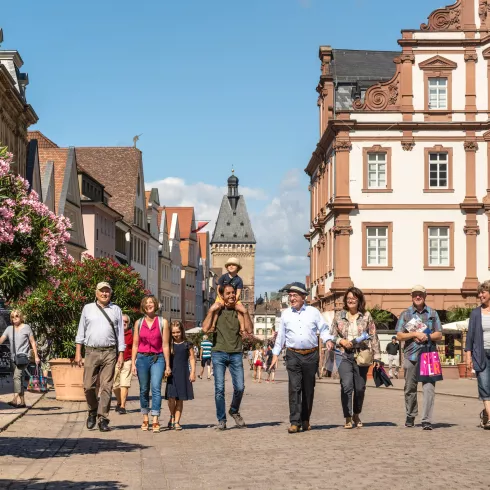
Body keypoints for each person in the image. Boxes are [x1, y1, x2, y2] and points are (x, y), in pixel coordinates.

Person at [268, 282, 334, 434]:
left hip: (311, 355)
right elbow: (281, 337)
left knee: (308, 389)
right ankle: (294, 422)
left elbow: (323, 329)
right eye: (290, 296)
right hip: (293, 354)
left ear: (303, 297)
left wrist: (328, 340)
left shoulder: (313, 312)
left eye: (295, 295)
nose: (291, 298)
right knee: (294, 387)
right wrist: (275, 355)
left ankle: (305, 419)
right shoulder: (286, 314)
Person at [75, 282, 125, 432]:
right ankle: (92, 410)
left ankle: (103, 418)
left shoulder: (116, 310)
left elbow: (120, 334)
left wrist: (121, 354)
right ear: (96, 293)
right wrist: (78, 352)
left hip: (110, 352)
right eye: (102, 291)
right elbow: (81, 331)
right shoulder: (87, 308)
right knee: (88, 386)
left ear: (110, 293)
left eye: (107, 291)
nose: (104, 294)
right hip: (91, 351)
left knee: (106, 387)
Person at [202, 283, 253, 430]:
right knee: (219, 389)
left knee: (240, 387)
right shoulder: (218, 310)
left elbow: (249, 330)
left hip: (236, 353)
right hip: (219, 353)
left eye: (233, 293)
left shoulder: (239, 311)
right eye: (228, 293)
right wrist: (211, 310)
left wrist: (245, 312)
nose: (231, 295)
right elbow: (205, 329)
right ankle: (221, 420)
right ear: (222, 295)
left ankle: (234, 410)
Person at [330, 287, 381, 429]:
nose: (351, 300)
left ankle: (356, 413)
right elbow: (331, 335)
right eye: (348, 298)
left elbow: (373, 336)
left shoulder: (366, 316)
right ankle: (347, 416)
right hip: (343, 354)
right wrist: (340, 341)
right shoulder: (338, 315)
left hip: (361, 355)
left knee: (360, 388)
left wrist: (377, 357)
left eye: (354, 298)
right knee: (346, 386)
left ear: (359, 300)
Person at [396, 285, 442, 430]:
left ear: (425, 296)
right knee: (410, 388)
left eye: (420, 294)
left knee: (429, 389)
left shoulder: (433, 313)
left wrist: (426, 335)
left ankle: (426, 420)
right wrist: (415, 334)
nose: (417, 296)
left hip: (429, 355)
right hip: (411, 355)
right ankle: (410, 415)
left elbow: (439, 334)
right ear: (412, 296)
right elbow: (399, 335)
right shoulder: (406, 314)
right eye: (415, 294)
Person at [132, 295, 171, 433]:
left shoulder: (162, 322)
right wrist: (133, 363)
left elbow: (166, 345)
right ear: (143, 306)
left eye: (151, 302)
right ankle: (145, 416)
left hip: (157, 358)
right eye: (146, 303)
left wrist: (167, 365)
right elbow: (135, 344)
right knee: (143, 389)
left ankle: (155, 418)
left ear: (155, 305)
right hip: (142, 358)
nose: (149, 305)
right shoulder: (139, 323)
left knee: (156, 387)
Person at [0, 310, 40, 408]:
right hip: (14, 358)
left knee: (16, 377)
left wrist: (36, 356)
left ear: (21, 317)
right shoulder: (9, 329)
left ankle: (14, 399)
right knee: (19, 380)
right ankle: (22, 402)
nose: (14, 318)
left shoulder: (26, 328)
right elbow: (1, 339)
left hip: (24, 357)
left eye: (16, 316)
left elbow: (33, 342)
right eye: (12, 317)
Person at [465, 280, 490, 429]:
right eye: (479, 293)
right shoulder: (475, 313)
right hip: (481, 354)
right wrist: (468, 357)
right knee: (485, 386)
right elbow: (470, 337)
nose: (480, 295)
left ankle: (486, 413)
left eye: (483, 292)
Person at [165, 320, 196, 430]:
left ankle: (177, 421)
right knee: (171, 398)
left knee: (180, 399)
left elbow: (192, 358)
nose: (175, 335)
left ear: (182, 331)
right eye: (173, 333)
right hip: (172, 374)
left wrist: (192, 372)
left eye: (177, 332)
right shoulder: (169, 344)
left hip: (183, 373)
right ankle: (172, 415)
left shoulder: (187, 344)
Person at [113, 314, 133, 414]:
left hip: (127, 361)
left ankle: (122, 406)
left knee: (124, 384)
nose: (124, 323)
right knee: (115, 385)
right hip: (115, 362)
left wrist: (134, 363)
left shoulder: (131, 334)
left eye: (126, 322)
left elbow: (135, 348)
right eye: (122, 322)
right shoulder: (115, 334)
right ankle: (119, 401)